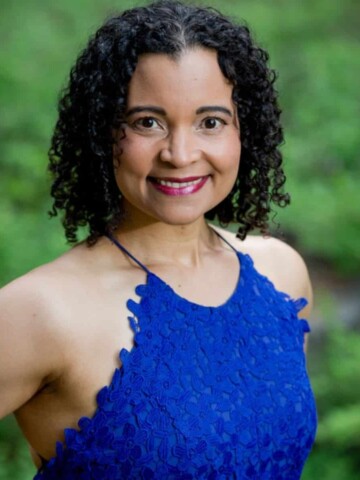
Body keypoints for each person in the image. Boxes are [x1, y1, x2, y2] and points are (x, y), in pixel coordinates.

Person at [0, 1, 317, 478]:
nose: (180, 153)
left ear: (242, 132)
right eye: (147, 122)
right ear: (103, 132)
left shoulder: (282, 272)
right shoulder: (41, 311)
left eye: (210, 121)